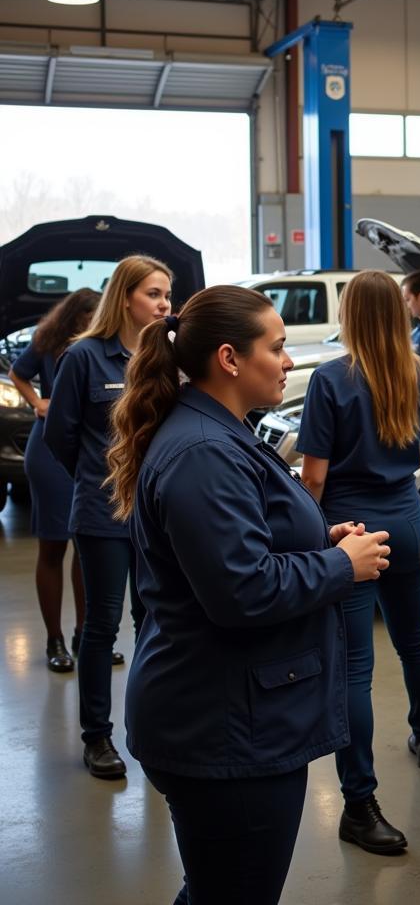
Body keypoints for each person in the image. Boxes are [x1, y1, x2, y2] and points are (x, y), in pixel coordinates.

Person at [105, 285, 390, 905]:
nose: (290, 361)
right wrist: (340, 566)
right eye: (279, 347)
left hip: (230, 714)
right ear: (230, 359)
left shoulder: (218, 430)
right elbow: (241, 591)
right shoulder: (204, 451)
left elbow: (241, 543)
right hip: (225, 729)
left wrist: (320, 542)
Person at [298, 270, 420, 855]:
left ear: (350, 314)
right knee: (414, 640)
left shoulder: (330, 378)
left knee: (355, 668)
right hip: (407, 521)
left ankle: (359, 802)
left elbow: (313, 475)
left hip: (351, 531)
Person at [44, 255, 172, 779]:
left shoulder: (166, 356)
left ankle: (151, 730)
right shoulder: (85, 358)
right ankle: (97, 737)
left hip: (157, 512)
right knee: (101, 626)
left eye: (167, 295)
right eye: (154, 294)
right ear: (125, 298)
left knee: (154, 622)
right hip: (102, 512)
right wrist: (101, 476)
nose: (165, 304)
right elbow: (60, 435)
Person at [8, 288, 99, 672]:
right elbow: (16, 372)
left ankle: (85, 636)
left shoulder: (102, 345)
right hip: (48, 451)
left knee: (86, 548)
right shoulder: (49, 341)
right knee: (53, 547)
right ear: (78, 316)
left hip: (87, 452)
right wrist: (37, 402)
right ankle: (54, 641)